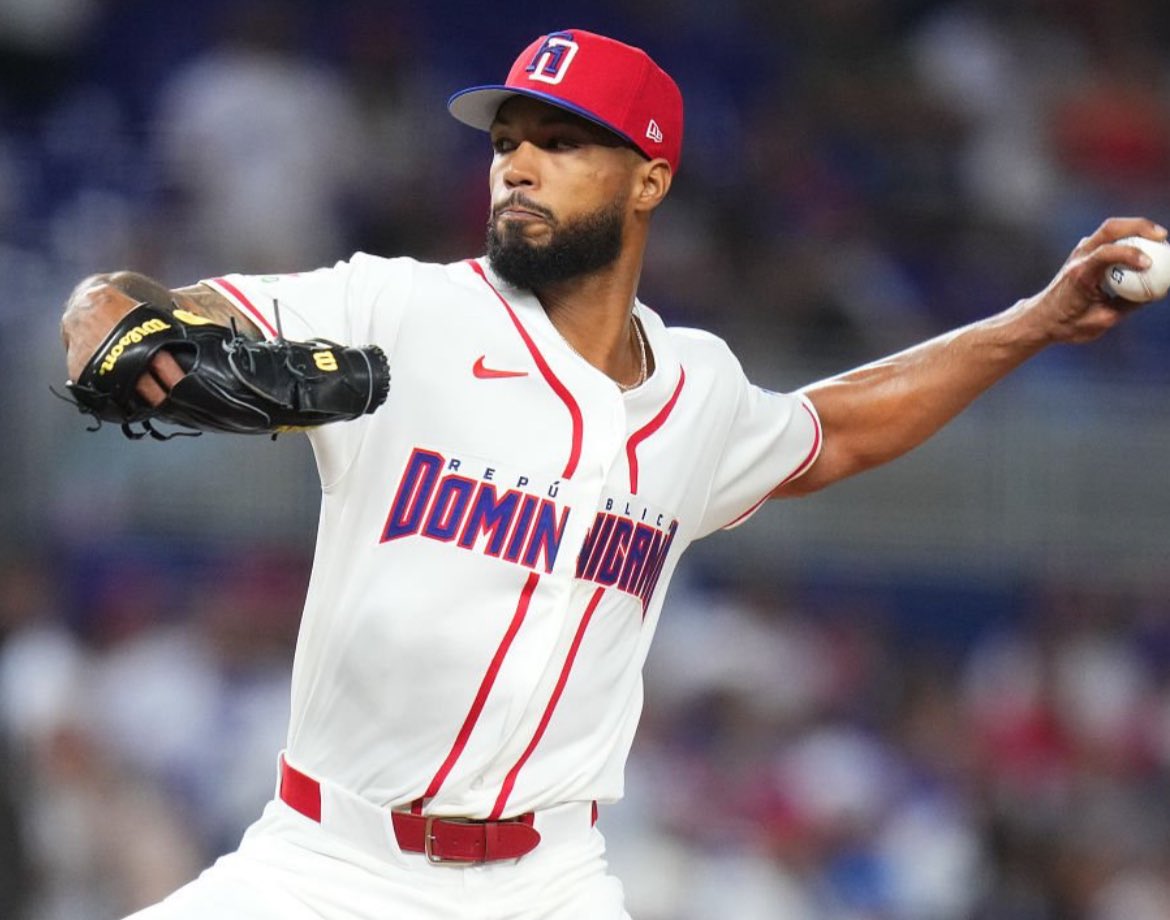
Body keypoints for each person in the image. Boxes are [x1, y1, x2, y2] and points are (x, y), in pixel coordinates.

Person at [59, 27, 1166, 920]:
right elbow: (132, 303)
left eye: (561, 140)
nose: (517, 164)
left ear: (649, 179)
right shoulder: (405, 308)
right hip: (324, 865)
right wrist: (111, 325)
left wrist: (1034, 321)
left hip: (551, 882)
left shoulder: (700, 390)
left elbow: (838, 432)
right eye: (507, 141)